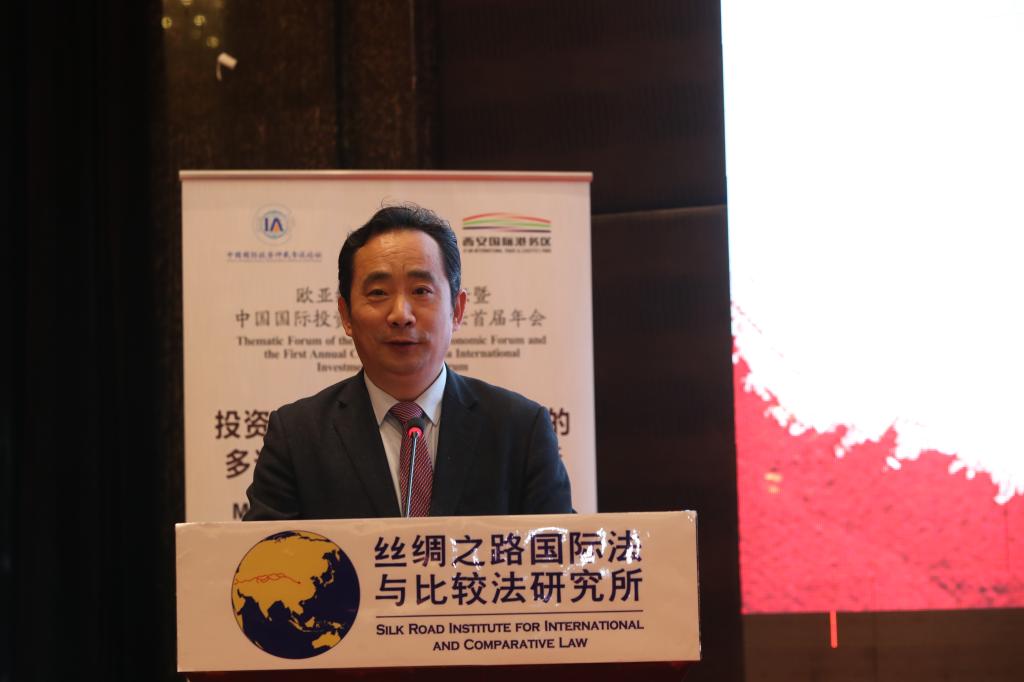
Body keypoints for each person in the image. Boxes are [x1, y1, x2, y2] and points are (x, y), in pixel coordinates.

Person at [244, 204, 573, 520]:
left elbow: (562, 551)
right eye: (378, 293)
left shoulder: (520, 429)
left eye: (421, 291)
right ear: (346, 315)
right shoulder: (297, 436)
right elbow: (266, 554)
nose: (401, 315)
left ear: (457, 310)